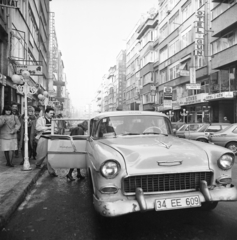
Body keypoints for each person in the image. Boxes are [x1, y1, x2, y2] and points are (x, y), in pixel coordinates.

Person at [35, 107, 58, 177]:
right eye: (51, 113)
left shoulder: (53, 120)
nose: (52, 114)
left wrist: (55, 129)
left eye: (53, 113)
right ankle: (38, 164)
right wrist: (48, 128)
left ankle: (51, 171)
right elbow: (38, 128)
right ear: (46, 113)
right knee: (40, 153)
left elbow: (56, 129)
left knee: (51, 156)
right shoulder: (40, 119)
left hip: (51, 139)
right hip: (43, 138)